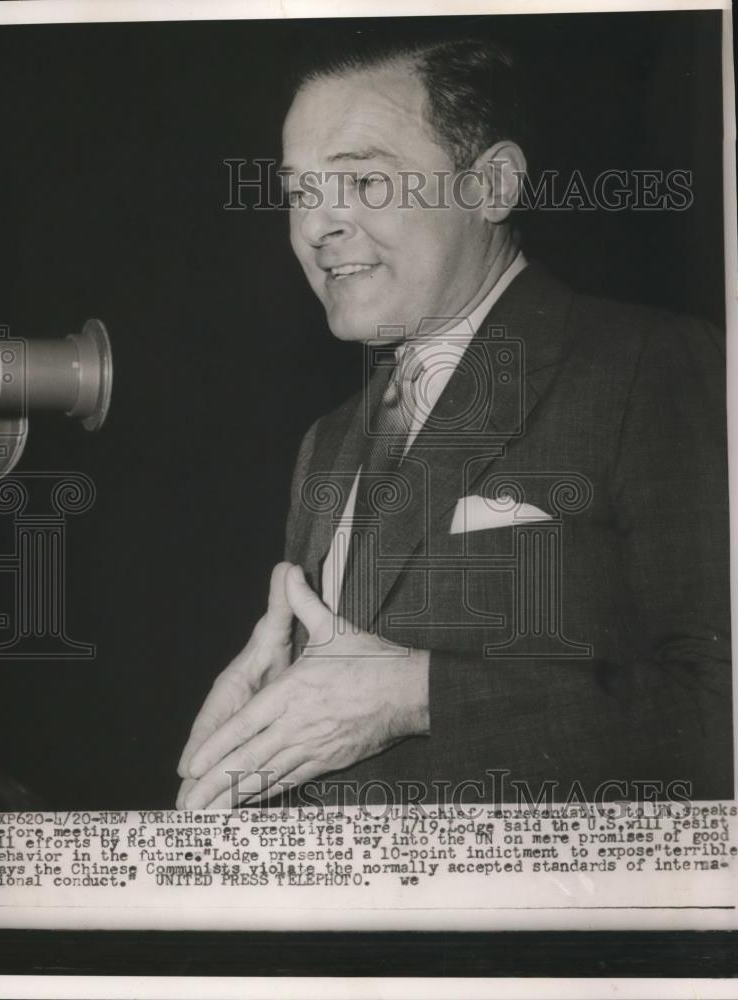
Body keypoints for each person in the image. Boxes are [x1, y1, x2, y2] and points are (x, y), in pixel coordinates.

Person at [176, 37, 732, 809]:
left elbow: (719, 715)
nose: (316, 228)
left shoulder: (656, 367)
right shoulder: (327, 443)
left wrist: (417, 695)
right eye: (300, 192)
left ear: (491, 185)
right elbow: (344, 735)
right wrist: (253, 746)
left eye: (364, 181)